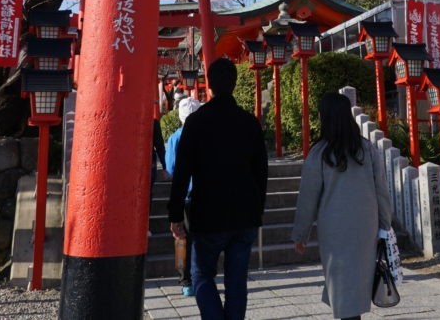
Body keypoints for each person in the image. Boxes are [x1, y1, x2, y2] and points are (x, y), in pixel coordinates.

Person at [167, 57, 268, 320]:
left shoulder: (196, 122)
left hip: (209, 211)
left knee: (201, 275)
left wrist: (175, 213)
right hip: (244, 211)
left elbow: (182, 172)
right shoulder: (249, 122)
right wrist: (259, 208)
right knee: (237, 282)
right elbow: (261, 171)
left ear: (209, 85)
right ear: (234, 83)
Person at [292, 93, 392, 320]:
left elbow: (308, 197)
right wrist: (384, 225)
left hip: (334, 227)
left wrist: (301, 233)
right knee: (358, 278)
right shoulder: (366, 149)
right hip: (365, 224)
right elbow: (381, 190)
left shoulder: (319, 152)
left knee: (341, 280)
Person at [165, 97, 202, 297]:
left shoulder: (175, 138)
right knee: (202, 238)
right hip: (205, 195)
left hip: (185, 195)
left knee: (182, 238)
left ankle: (186, 280)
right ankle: (201, 276)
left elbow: (171, 168)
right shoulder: (207, 136)